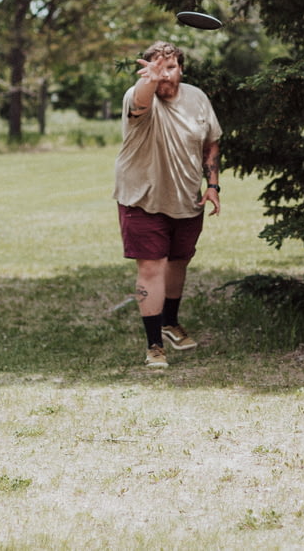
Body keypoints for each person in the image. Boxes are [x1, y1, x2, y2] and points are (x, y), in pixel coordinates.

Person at [114, 41, 222, 368]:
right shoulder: (139, 96)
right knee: (151, 268)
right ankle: (154, 346)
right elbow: (141, 101)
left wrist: (213, 185)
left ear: (182, 69)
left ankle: (170, 322)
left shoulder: (198, 97)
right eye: (157, 69)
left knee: (178, 262)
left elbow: (211, 142)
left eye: (171, 68)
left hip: (186, 196)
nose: (165, 75)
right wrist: (150, 78)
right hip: (142, 197)